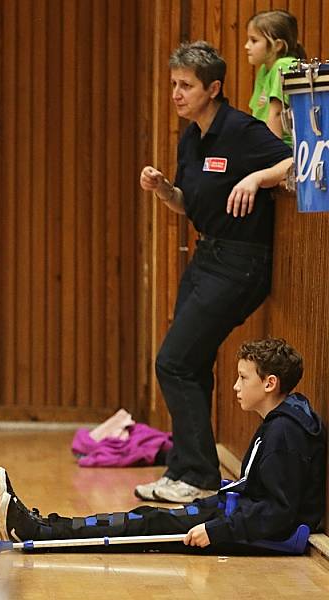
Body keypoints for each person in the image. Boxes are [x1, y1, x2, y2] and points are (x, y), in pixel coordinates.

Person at [137, 41, 293, 504]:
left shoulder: (241, 130)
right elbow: (190, 202)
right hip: (207, 256)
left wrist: (256, 178)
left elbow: (294, 159)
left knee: (172, 361)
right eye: (174, 85)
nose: (177, 94)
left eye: (186, 86)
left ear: (214, 88)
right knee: (191, 364)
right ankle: (187, 470)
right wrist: (166, 190)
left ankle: (199, 475)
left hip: (241, 262)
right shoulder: (191, 136)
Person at [0, 338, 326, 551]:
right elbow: (265, 494)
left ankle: (36, 531)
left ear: (270, 383)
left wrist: (217, 530)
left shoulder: (284, 433)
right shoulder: (282, 423)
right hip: (238, 514)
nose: (236, 386)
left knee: (145, 524)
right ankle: (46, 525)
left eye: (243, 377)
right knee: (147, 516)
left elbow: (278, 513)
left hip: (255, 532)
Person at [245, 9, 306, 145]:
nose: (246, 46)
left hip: (284, 150)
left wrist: (269, 153)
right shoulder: (264, 69)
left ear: (277, 45)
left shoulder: (284, 65)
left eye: (254, 41)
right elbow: (258, 114)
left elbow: (277, 114)